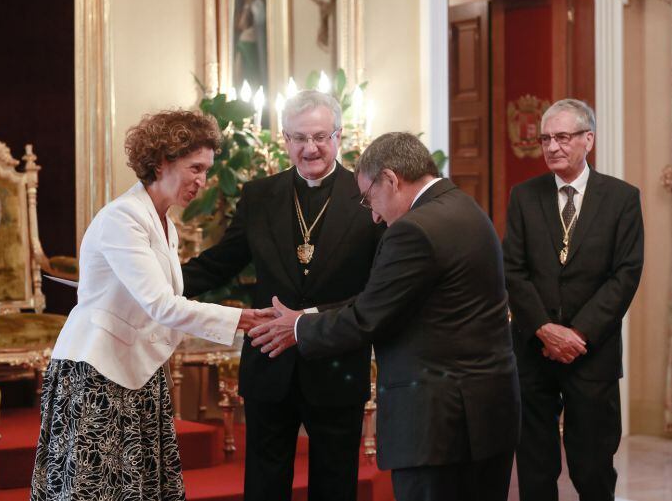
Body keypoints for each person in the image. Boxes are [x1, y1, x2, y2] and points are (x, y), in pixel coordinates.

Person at [250, 132, 521, 501]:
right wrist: (307, 315)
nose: (374, 215)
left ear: (391, 180)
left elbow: (368, 318)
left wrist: (298, 328)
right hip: (485, 414)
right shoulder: (464, 208)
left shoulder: (414, 229)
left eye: (369, 198)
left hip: (437, 424)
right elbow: (386, 300)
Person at [30, 110, 268, 501]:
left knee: (138, 490)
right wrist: (241, 318)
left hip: (137, 371)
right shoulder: (123, 218)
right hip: (96, 371)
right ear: (161, 162)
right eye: (195, 168)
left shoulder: (163, 222)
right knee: (94, 491)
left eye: (207, 170)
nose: (202, 182)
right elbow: (163, 305)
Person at [181, 90, 383, 501]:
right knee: (264, 482)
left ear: (339, 137)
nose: (311, 148)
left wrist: (309, 319)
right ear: (285, 141)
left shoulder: (368, 195)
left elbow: (378, 287)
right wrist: (154, 283)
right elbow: (221, 262)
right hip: (270, 362)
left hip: (335, 360)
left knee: (335, 482)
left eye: (321, 137)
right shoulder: (259, 196)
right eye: (300, 138)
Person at [502, 99, 644, 501]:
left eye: (562, 137)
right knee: (534, 466)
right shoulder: (524, 196)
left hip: (591, 352)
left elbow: (626, 274)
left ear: (588, 139)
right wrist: (545, 330)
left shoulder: (621, 199)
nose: (552, 147)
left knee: (593, 465)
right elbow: (512, 269)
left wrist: (577, 334)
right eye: (546, 138)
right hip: (533, 350)